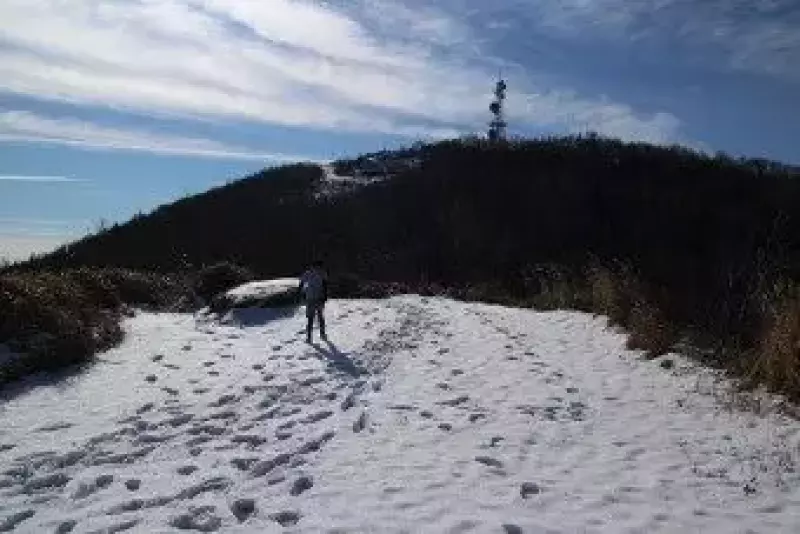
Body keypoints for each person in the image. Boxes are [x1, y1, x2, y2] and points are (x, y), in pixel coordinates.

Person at [299, 260, 328, 343]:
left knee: (310, 319)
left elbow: (301, 284)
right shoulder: (323, 273)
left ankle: (309, 338)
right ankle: (322, 334)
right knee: (320, 316)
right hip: (319, 298)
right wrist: (325, 296)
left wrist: (302, 294)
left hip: (310, 298)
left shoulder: (307, 273)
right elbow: (325, 286)